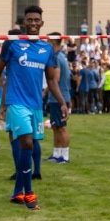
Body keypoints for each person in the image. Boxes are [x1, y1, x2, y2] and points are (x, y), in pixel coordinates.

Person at [0, 6, 67, 211]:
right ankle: (29, 193)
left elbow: (52, 81)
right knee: (26, 142)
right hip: (16, 103)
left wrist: (63, 103)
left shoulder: (47, 49)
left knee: (27, 146)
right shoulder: (12, 44)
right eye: (30, 20)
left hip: (36, 105)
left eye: (37, 20)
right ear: (24, 23)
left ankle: (18, 191)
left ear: (42, 23)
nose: (34, 23)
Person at [46, 33, 72, 163]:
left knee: (62, 127)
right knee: (55, 126)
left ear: (53, 43)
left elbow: (55, 78)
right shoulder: (60, 56)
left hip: (58, 97)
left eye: (47, 41)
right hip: (59, 96)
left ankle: (65, 156)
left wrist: (45, 91)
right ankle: (57, 154)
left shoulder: (56, 57)